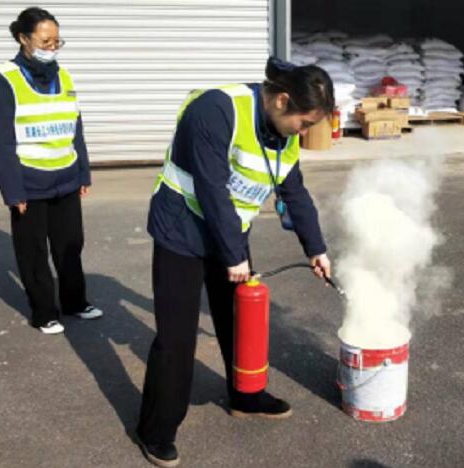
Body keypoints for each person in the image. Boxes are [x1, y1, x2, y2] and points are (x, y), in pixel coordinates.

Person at [136, 57, 335, 467]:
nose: (304, 132)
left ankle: (246, 395)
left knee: (239, 320)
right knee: (177, 338)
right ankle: (156, 430)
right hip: (182, 228)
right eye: (303, 123)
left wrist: (316, 248)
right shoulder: (215, 109)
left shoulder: (283, 132)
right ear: (282, 100)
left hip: (229, 232)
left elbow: (294, 191)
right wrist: (234, 256)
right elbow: (211, 189)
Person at [0, 7, 102, 335]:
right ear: (24, 39)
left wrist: (83, 172)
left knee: (70, 244)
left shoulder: (64, 76)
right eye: (45, 41)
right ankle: (44, 312)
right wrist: (13, 191)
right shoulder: (3, 80)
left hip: (65, 176)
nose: (52, 48)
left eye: (56, 42)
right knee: (33, 251)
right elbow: (1, 141)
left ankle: (75, 302)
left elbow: (75, 126)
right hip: (29, 181)